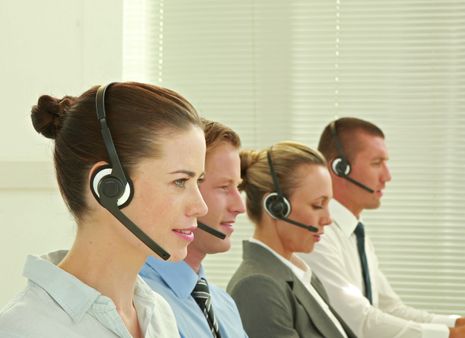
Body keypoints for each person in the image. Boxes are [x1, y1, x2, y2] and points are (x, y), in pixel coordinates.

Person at [0, 82, 209, 337]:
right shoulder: (25, 329)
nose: (201, 206)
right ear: (108, 186)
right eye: (179, 181)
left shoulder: (159, 315)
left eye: (197, 181)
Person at [299, 117, 465, 338]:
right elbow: (358, 321)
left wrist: (464, 323)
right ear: (339, 168)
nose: (387, 176)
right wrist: (453, 335)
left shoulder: (356, 234)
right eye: (376, 163)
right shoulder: (318, 236)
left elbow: (391, 309)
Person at [227, 141, 356, 338]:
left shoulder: (303, 276)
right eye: (317, 205)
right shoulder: (258, 287)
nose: (328, 219)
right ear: (276, 206)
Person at [140, 120, 248, 338]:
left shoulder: (224, 304)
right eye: (224, 187)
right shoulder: (139, 301)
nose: (240, 206)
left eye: (238, 187)